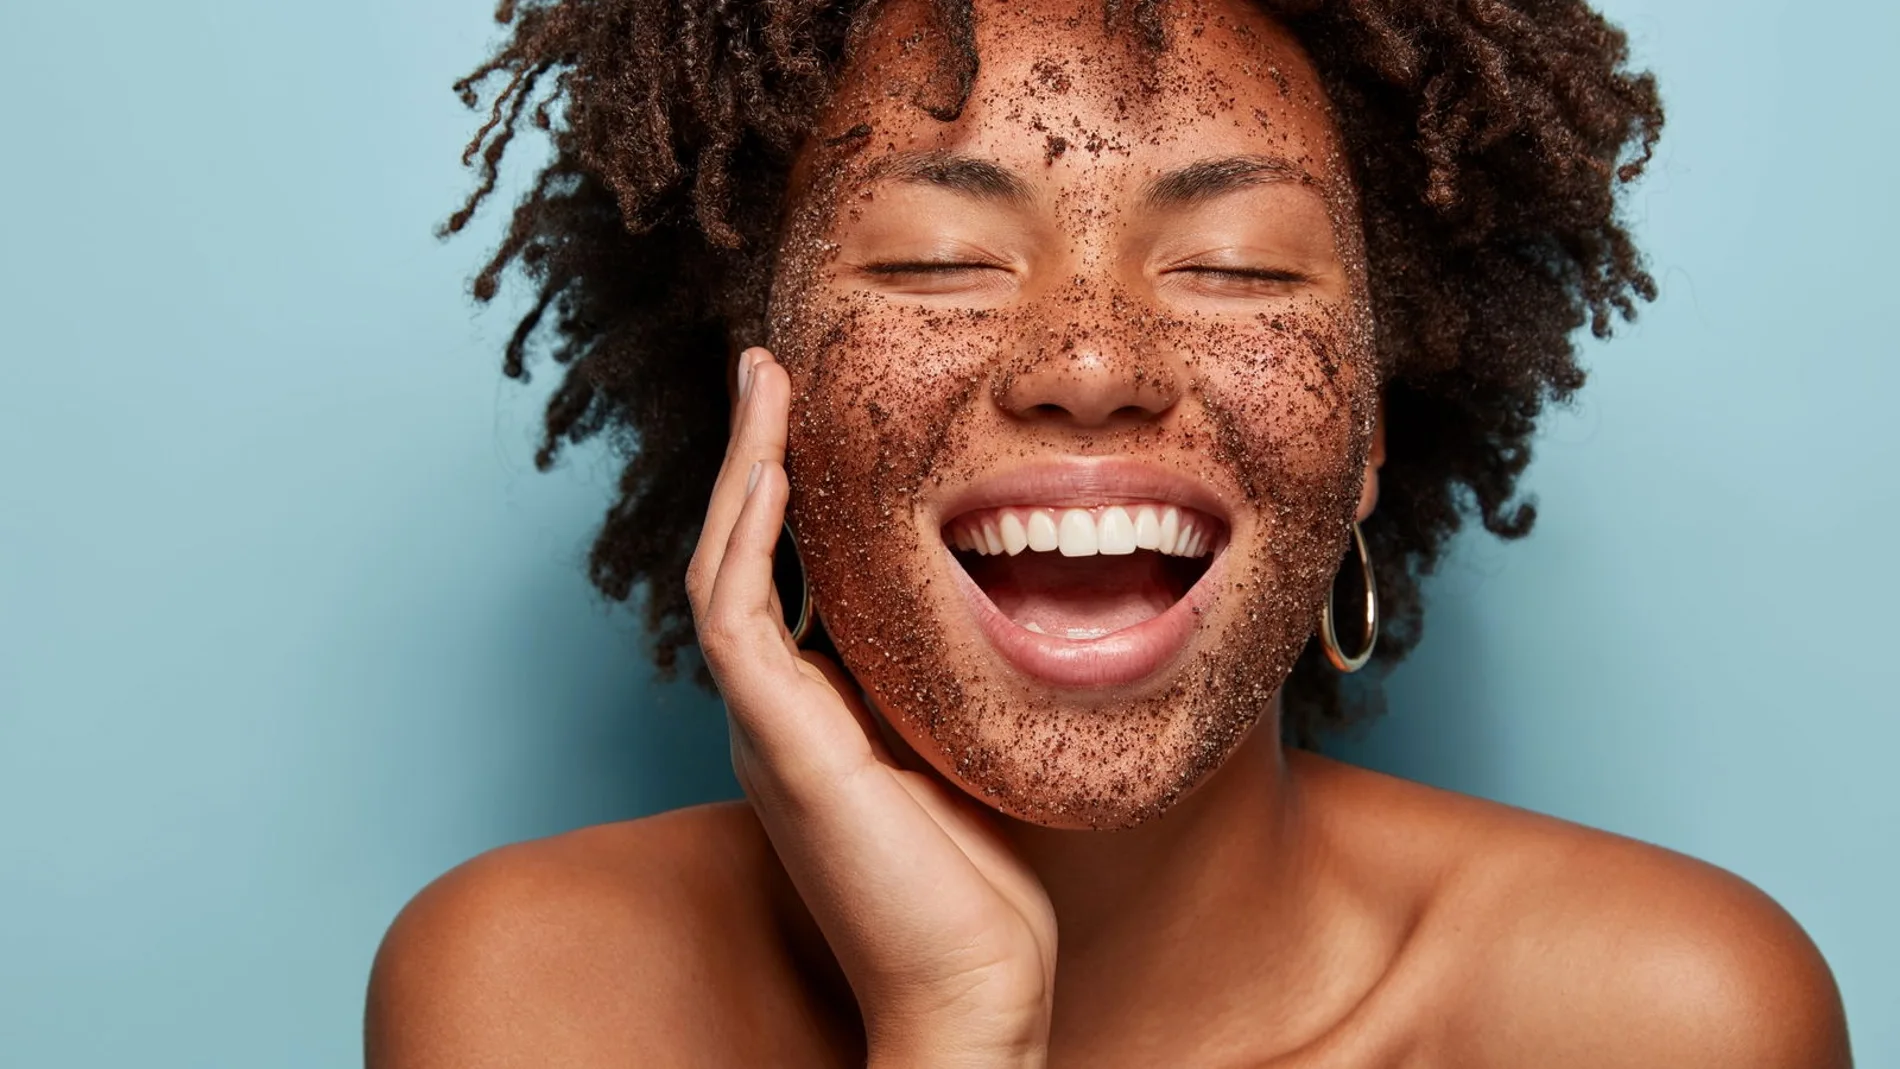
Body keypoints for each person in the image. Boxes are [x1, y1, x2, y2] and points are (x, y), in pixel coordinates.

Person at [365, 0, 1852, 1064]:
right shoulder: (537, 996)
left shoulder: (1665, 1017)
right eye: (940, 259)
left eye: (1237, 266)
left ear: (1370, 439)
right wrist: (960, 1027)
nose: (1090, 367)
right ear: (769, 409)